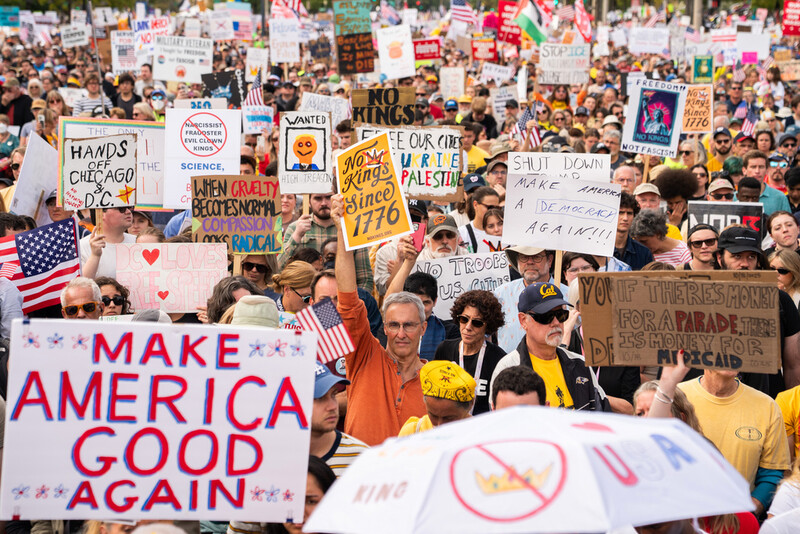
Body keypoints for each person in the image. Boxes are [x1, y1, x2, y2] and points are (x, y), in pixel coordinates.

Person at [332, 193, 426, 445]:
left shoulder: (435, 380)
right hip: (360, 480)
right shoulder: (365, 357)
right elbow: (348, 301)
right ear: (384, 327)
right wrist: (343, 234)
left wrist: (408, 263)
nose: (401, 333)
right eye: (394, 325)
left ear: (423, 328)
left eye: (409, 325)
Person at [679, 368, 791, 516]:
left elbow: (772, 473)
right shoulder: (678, 396)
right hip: (684, 520)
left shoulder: (767, 406)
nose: (729, 354)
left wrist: (748, 512)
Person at [490, 283, 610, 411]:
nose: (556, 322)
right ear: (523, 320)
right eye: (545, 316)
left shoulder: (580, 364)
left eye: (561, 314)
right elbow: (504, 425)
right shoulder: (508, 369)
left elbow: (602, 415)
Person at [715, 226, 800, 394]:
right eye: (736, 256)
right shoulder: (701, 298)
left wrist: (791, 409)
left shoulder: (780, 300)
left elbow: (792, 365)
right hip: (712, 400)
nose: (745, 264)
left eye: (751, 257)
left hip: (767, 398)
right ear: (720, 258)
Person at [280, 193, 373, 292]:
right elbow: (279, 268)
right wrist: (297, 235)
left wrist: (354, 302)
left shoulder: (352, 229)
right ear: (309, 202)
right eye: (318, 198)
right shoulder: (295, 228)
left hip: (342, 298)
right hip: (304, 300)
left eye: (328, 197)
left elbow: (365, 279)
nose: (323, 203)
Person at [434, 290, 506, 415]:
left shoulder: (499, 359)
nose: (468, 327)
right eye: (464, 319)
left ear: (488, 326)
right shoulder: (444, 350)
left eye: (477, 323)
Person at [494, 246, 563, 352]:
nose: (530, 262)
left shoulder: (569, 295)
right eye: (524, 257)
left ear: (550, 260)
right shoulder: (501, 293)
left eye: (536, 257)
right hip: (510, 367)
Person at [309, 362, 368, 476]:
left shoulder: (362, 459)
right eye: (320, 398)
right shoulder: (272, 457)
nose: (333, 406)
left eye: (333, 395)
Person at [398, 360, 476, 435]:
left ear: (470, 405)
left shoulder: (480, 436)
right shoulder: (413, 432)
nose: (439, 425)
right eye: (433, 416)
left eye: (448, 418)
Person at [80, 206, 137, 279]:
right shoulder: (81, 247)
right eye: (121, 209)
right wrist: (95, 256)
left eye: (130, 208)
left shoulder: (138, 242)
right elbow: (81, 285)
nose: (128, 212)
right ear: (101, 214)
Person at [742, 150, 791, 216]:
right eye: (753, 167)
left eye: (761, 167)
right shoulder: (735, 196)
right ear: (744, 170)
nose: (757, 171)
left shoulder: (780, 197)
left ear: (767, 169)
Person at [614, 192, 655, 271]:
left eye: (629, 213)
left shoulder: (644, 253)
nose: (625, 218)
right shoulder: (599, 251)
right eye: (620, 213)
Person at [458, 186, 501, 253]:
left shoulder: (502, 231)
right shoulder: (462, 233)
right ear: (475, 205)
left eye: (497, 208)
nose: (493, 211)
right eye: (490, 207)